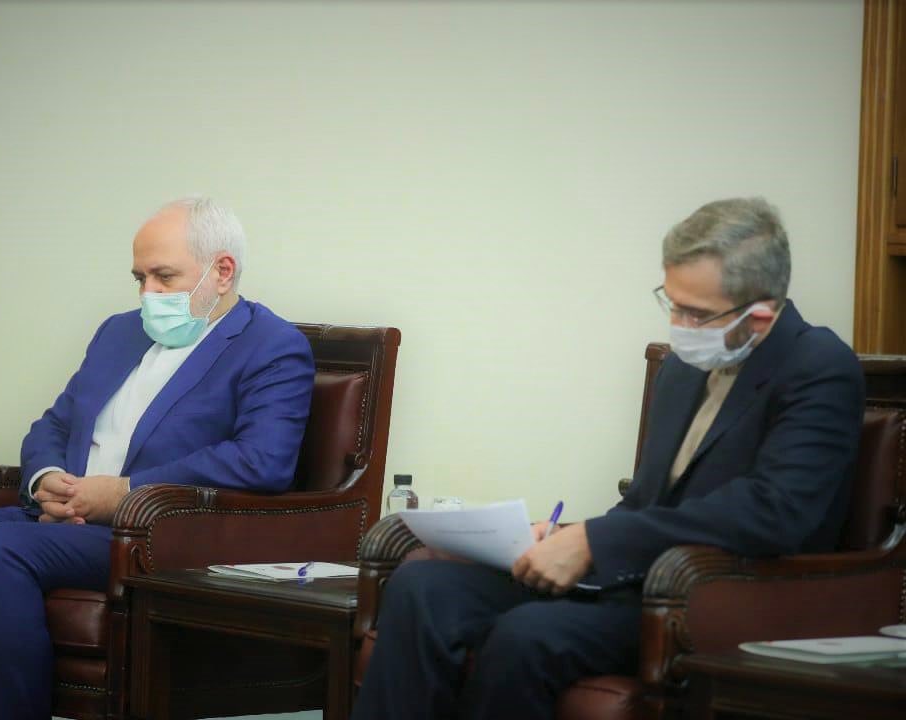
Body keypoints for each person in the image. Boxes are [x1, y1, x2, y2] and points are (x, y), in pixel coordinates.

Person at [352, 197, 865, 719]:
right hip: (630, 579)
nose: (679, 325)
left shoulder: (819, 368)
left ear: (759, 317)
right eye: (672, 303)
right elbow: (647, 503)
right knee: (422, 587)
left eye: (696, 313)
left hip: (717, 596)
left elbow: (772, 512)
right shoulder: (684, 368)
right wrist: (560, 538)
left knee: (528, 635)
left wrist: (594, 541)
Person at [0, 196, 316, 720]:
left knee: (2, 546)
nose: (148, 293)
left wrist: (123, 494)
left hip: (152, 534)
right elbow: (54, 424)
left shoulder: (271, 345)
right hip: (60, 520)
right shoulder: (120, 331)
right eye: (140, 277)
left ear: (223, 271)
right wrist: (46, 478)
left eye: (163, 277)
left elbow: (262, 460)